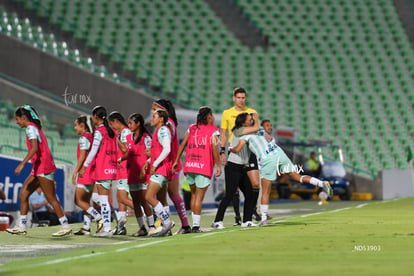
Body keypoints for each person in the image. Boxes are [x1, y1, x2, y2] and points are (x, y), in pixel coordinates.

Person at [229, 113, 334, 226]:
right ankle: (322, 183)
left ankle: (264, 219)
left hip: (267, 158)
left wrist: (231, 148)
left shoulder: (244, 136)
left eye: (251, 119)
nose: (250, 121)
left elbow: (238, 149)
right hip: (278, 152)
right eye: (249, 119)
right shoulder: (259, 129)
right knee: (297, 177)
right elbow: (269, 138)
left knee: (265, 191)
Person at [6, 105, 72, 237]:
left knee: (51, 198)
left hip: (44, 167)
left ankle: (65, 226)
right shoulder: (34, 127)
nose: (17, 122)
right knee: (23, 194)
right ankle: (22, 226)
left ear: (24, 117)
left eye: (17, 119)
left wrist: (22, 165)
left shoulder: (30, 128)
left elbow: (34, 148)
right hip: (39, 167)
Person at [173, 106, 221, 232]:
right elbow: (214, 148)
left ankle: (193, 224)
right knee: (199, 198)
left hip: (189, 166)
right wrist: (218, 165)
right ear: (209, 116)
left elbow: (182, 144)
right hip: (203, 167)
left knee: (194, 195)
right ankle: (195, 226)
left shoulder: (192, 128)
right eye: (213, 115)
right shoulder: (213, 130)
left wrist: (177, 160)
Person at [220, 87, 260, 226]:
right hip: (235, 151)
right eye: (239, 97)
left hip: (250, 152)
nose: (241, 100)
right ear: (234, 98)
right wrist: (222, 151)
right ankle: (234, 217)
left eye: (243, 98)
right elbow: (224, 134)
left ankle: (249, 216)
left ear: (246, 98)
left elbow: (256, 131)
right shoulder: (227, 113)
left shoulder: (252, 112)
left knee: (255, 185)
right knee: (232, 190)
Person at [212, 112, 260, 229]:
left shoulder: (248, 132)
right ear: (243, 122)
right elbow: (257, 127)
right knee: (229, 194)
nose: (251, 121)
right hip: (233, 167)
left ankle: (247, 220)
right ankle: (217, 221)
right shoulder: (238, 130)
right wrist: (257, 118)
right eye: (249, 119)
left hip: (243, 167)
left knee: (249, 194)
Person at [151, 99, 191, 234]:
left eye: (155, 109)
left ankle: (184, 225)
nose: (153, 111)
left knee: (172, 194)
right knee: (163, 197)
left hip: (170, 164)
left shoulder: (167, 125)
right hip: (167, 164)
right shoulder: (168, 124)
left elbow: (166, 146)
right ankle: (167, 225)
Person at [79, 106, 118, 237]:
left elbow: (93, 151)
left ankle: (107, 229)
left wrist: (84, 166)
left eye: (92, 116)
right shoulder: (111, 131)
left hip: (102, 167)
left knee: (103, 199)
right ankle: (111, 222)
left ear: (95, 116)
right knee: (100, 198)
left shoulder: (99, 132)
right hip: (111, 167)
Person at [121, 113, 157, 237]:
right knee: (135, 202)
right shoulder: (128, 137)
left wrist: (145, 167)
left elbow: (152, 154)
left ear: (138, 124)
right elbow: (128, 153)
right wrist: (120, 159)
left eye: (131, 123)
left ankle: (152, 226)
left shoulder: (147, 138)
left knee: (143, 200)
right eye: (128, 123)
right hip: (131, 172)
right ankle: (142, 228)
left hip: (143, 174)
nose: (129, 125)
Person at [143, 109, 174, 237]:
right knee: (161, 199)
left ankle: (166, 223)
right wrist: (150, 160)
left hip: (161, 169)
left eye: (154, 116)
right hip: (161, 168)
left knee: (148, 197)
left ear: (161, 119)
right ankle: (166, 228)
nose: (151, 118)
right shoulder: (158, 132)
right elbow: (160, 151)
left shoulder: (162, 130)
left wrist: (154, 164)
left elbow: (167, 149)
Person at [72, 115, 103, 235]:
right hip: (93, 172)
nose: (75, 128)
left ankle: (98, 217)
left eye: (76, 125)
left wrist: (76, 171)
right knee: (85, 201)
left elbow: (82, 156)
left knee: (78, 200)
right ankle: (86, 227)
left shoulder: (84, 138)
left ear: (82, 126)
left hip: (86, 172)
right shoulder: (91, 137)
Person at [108, 111, 135, 235]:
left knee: (122, 198)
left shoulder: (124, 132)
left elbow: (125, 149)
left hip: (125, 168)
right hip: (122, 168)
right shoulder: (124, 132)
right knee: (121, 199)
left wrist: (116, 138)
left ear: (117, 122)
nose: (112, 127)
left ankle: (150, 213)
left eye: (112, 124)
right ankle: (121, 226)